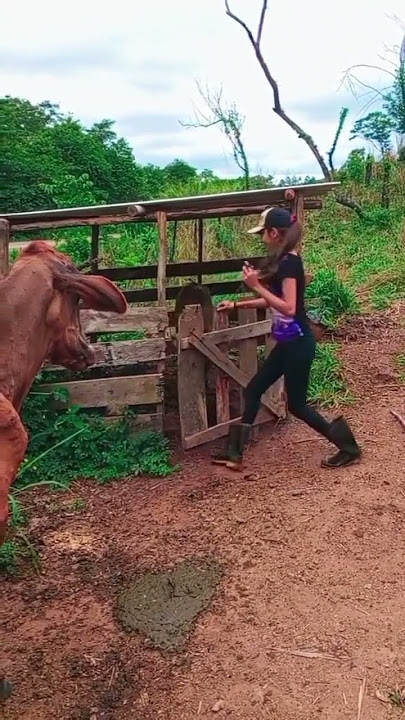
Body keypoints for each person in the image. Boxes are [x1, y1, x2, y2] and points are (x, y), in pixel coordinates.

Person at [212, 206, 361, 470]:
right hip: (289, 343)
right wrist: (237, 305)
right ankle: (234, 453)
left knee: (298, 406)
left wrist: (256, 285)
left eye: (263, 233)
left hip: (299, 343)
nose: (261, 238)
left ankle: (348, 447)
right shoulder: (284, 261)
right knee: (254, 389)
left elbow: (289, 307)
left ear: (273, 233)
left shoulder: (290, 264)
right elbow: (276, 301)